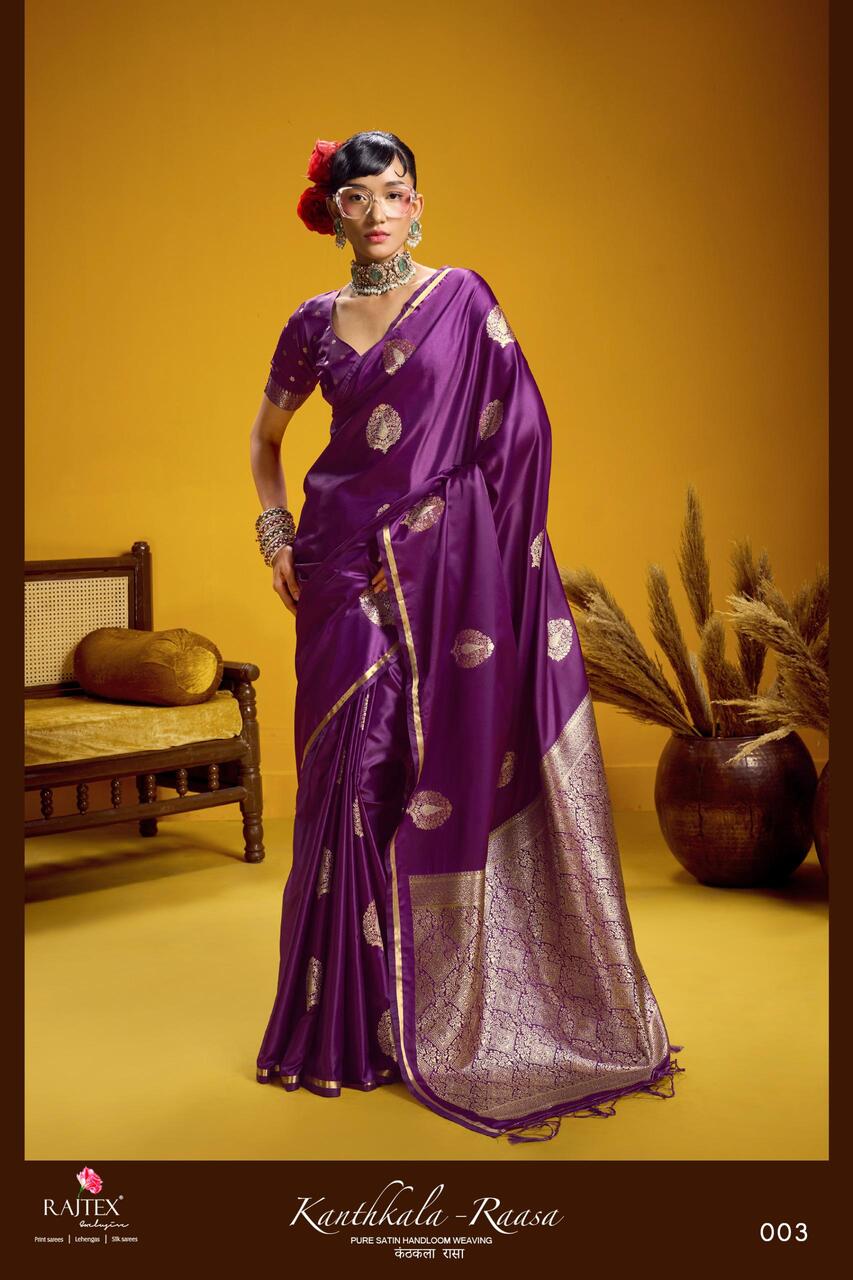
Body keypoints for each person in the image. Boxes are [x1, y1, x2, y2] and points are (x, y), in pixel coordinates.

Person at [251, 130, 684, 1143]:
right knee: (346, 779)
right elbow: (265, 444)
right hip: (337, 570)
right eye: (356, 197)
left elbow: (520, 438)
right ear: (332, 214)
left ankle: (430, 1006)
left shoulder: (463, 300)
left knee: (419, 770)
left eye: (393, 191)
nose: (377, 211)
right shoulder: (311, 324)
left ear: (418, 203)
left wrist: (456, 542)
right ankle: (343, 1022)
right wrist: (274, 532)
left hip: (447, 574)